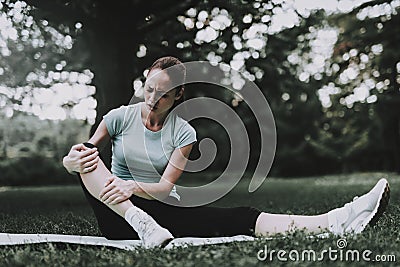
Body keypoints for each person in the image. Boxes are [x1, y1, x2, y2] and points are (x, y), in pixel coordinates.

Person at [63, 56, 390, 248]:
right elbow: (85, 156)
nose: (152, 98)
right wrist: (70, 161)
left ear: (177, 97)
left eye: (162, 94)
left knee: (238, 217)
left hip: (159, 212)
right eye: (148, 89)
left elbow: (164, 188)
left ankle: (336, 220)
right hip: (118, 215)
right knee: (86, 153)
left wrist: (134, 186)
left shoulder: (183, 133)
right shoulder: (119, 116)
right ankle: (137, 220)